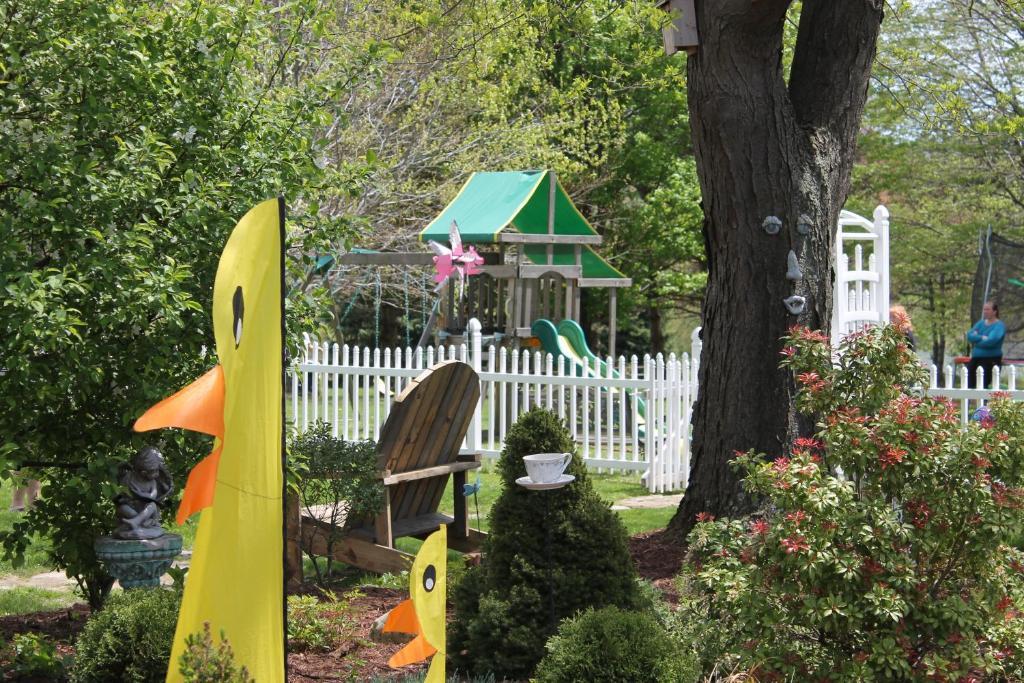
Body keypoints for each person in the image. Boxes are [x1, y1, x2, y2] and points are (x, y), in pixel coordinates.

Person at [966, 300, 1005, 389]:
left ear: (994, 311)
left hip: (990, 359)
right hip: (976, 358)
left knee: (983, 384)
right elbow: (969, 335)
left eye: (988, 309)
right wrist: (982, 338)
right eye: (984, 309)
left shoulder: (999, 326)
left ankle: (983, 403)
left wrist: (976, 341)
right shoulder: (980, 324)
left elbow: (992, 340)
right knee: (969, 382)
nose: (985, 312)